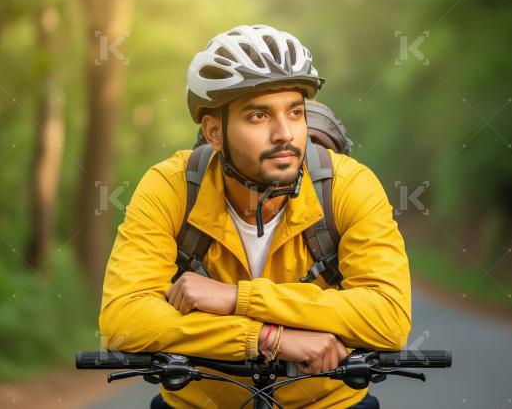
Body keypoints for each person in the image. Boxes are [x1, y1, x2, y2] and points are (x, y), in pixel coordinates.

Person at [99, 24, 411, 408]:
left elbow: (389, 317)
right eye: (259, 116)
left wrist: (238, 298)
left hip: (327, 403)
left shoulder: (349, 186)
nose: (285, 134)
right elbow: (124, 319)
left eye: (295, 112)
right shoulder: (171, 187)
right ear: (214, 132)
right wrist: (266, 339)